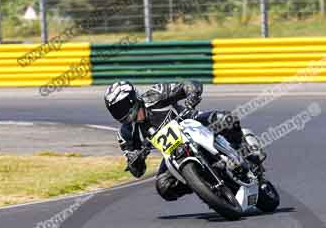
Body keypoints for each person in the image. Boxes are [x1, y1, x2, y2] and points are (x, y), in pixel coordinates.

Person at [104, 80, 264, 202]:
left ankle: (247, 152)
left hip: (194, 123)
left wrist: (192, 96)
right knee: (163, 187)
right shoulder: (126, 134)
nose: (121, 113)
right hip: (173, 153)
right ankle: (202, 184)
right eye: (115, 110)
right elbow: (137, 171)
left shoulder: (155, 95)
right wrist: (135, 161)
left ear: (132, 99)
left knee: (226, 119)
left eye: (122, 106)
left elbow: (189, 85)